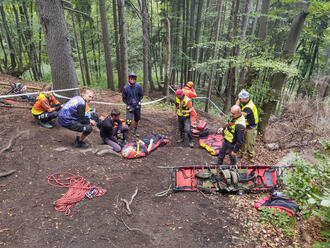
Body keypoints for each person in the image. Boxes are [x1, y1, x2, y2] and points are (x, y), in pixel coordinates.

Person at [236, 89, 259, 164]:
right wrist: (239, 101)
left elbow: (238, 114)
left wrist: (236, 106)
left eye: (240, 99)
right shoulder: (244, 102)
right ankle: (242, 153)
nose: (239, 100)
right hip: (245, 125)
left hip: (251, 128)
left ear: (246, 98)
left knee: (250, 144)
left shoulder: (249, 106)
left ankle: (251, 161)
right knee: (242, 141)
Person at [122, 72, 143, 137]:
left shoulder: (138, 86)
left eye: (134, 79)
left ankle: (135, 129)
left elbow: (141, 95)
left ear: (135, 79)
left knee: (137, 119)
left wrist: (139, 101)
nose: (132, 80)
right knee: (129, 119)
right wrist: (127, 104)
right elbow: (123, 98)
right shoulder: (125, 88)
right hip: (130, 106)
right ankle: (126, 131)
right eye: (131, 78)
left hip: (137, 105)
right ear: (129, 79)